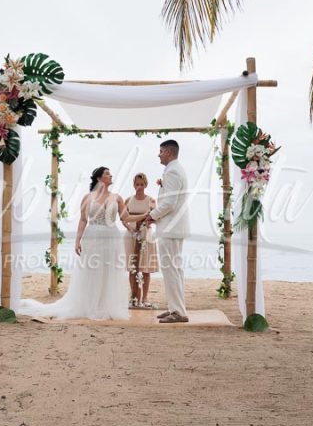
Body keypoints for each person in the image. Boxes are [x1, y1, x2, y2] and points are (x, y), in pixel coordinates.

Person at [18, 166, 147, 320]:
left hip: (112, 238)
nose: (111, 175)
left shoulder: (117, 198)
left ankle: (105, 305)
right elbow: (83, 220)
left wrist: (146, 215)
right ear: (99, 178)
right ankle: (88, 304)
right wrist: (77, 241)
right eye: (107, 173)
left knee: (109, 271)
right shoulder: (88, 198)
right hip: (92, 237)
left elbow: (126, 218)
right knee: (91, 271)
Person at [145, 139, 190, 324]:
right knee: (175, 270)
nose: (159, 154)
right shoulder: (177, 169)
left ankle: (178, 312)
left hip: (170, 228)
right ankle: (176, 308)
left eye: (161, 151)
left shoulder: (172, 171)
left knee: (171, 270)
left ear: (169, 153)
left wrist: (151, 215)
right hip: (174, 228)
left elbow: (169, 203)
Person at [122, 173, 159, 309]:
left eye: (142, 184)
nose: (139, 187)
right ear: (134, 185)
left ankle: (144, 298)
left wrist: (148, 223)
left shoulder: (151, 201)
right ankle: (133, 297)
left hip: (146, 236)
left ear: (146, 185)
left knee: (146, 268)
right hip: (131, 236)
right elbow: (123, 219)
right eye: (137, 184)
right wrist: (130, 229)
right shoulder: (128, 200)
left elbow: (156, 218)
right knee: (132, 268)